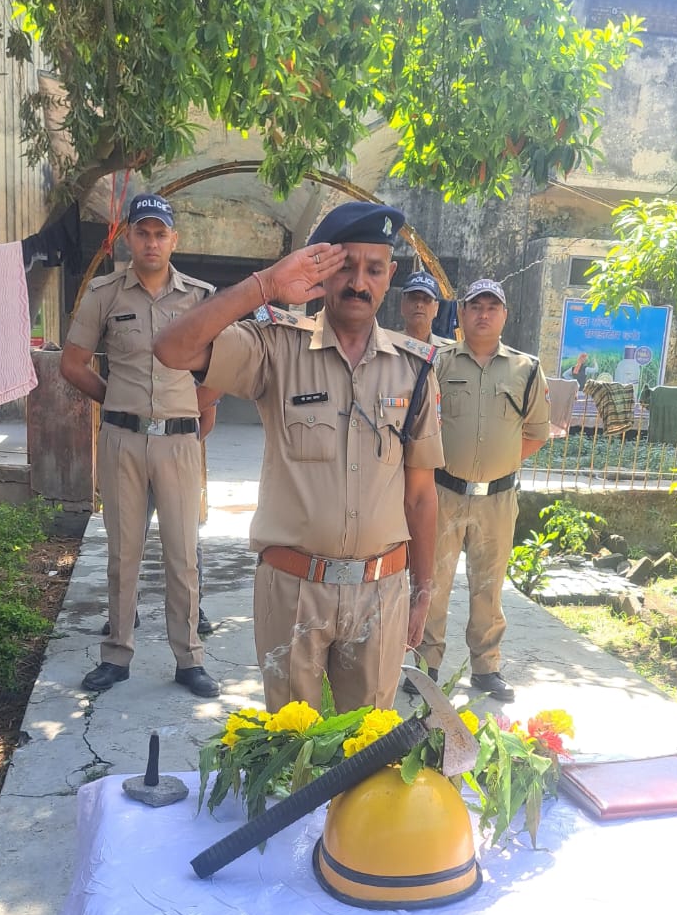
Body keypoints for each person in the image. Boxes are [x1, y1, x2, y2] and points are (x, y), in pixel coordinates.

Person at [154, 200, 443, 713]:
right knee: (296, 752)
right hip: (293, 591)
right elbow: (172, 348)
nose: (359, 283)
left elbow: (420, 495)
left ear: (390, 275)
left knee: (368, 754)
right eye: (345, 266)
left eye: (373, 270)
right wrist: (263, 285)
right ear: (321, 271)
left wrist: (423, 590)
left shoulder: (414, 370)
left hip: (381, 593)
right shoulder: (277, 349)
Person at [60, 194, 219, 697]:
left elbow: (225, 366)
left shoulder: (200, 298)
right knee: (122, 552)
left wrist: (193, 407)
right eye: (142, 232)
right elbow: (73, 362)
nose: (151, 242)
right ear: (128, 237)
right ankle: (117, 655)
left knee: (182, 554)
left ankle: (189, 660)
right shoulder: (105, 293)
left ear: (175, 239)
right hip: (123, 442)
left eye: (160, 233)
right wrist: (118, 404)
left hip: (178, 444)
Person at [416, 278, 551, 703]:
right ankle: (425, 663)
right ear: (462, 313)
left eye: (493, 307)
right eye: (476, 306)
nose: (484, 314)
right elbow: (421, 426)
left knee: (489, 586)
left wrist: (500, 464)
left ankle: (486, 668)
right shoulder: (438, 363)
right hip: (443, 493)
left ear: (505, 316)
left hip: (497, 498)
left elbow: (536, 433)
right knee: (430, 582)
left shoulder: (526, 369)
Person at [101, 381, 218, 638]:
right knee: (127, 540)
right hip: (131, 457)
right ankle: (125, 613)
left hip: (175, 459)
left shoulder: (186, 362)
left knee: (186, 544)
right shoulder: (131, 366)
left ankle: (193, 611)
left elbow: (207, 415)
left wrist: (178, 447)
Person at [400, 269, 451, 348]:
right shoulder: (387, 346)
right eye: (413, 298)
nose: (419, 304)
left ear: (436, 308)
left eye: (427, 299)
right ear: (402, 305)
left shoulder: (449, 352)